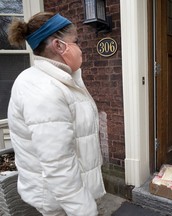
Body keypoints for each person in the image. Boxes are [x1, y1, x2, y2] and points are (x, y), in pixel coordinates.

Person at [7, 12, 106, 215]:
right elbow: (58, 164)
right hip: (60, 201)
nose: (80, 49)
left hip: (70, 195)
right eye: (76, 41)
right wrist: (84, 210)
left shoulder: (61, 80)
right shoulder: (43, 89)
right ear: (59, 46)